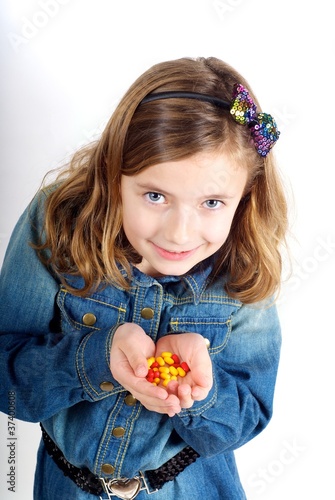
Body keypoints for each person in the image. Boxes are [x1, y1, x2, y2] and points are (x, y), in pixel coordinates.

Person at [0, 56, 288, 499]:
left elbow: (246, 418)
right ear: (114, 175)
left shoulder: (243, 263)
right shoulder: (57, 222)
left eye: (212, 203)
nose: (179, 233)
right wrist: (98, 358)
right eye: (155, 196)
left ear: (245, 196)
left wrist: (200, 394)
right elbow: (8, 386)